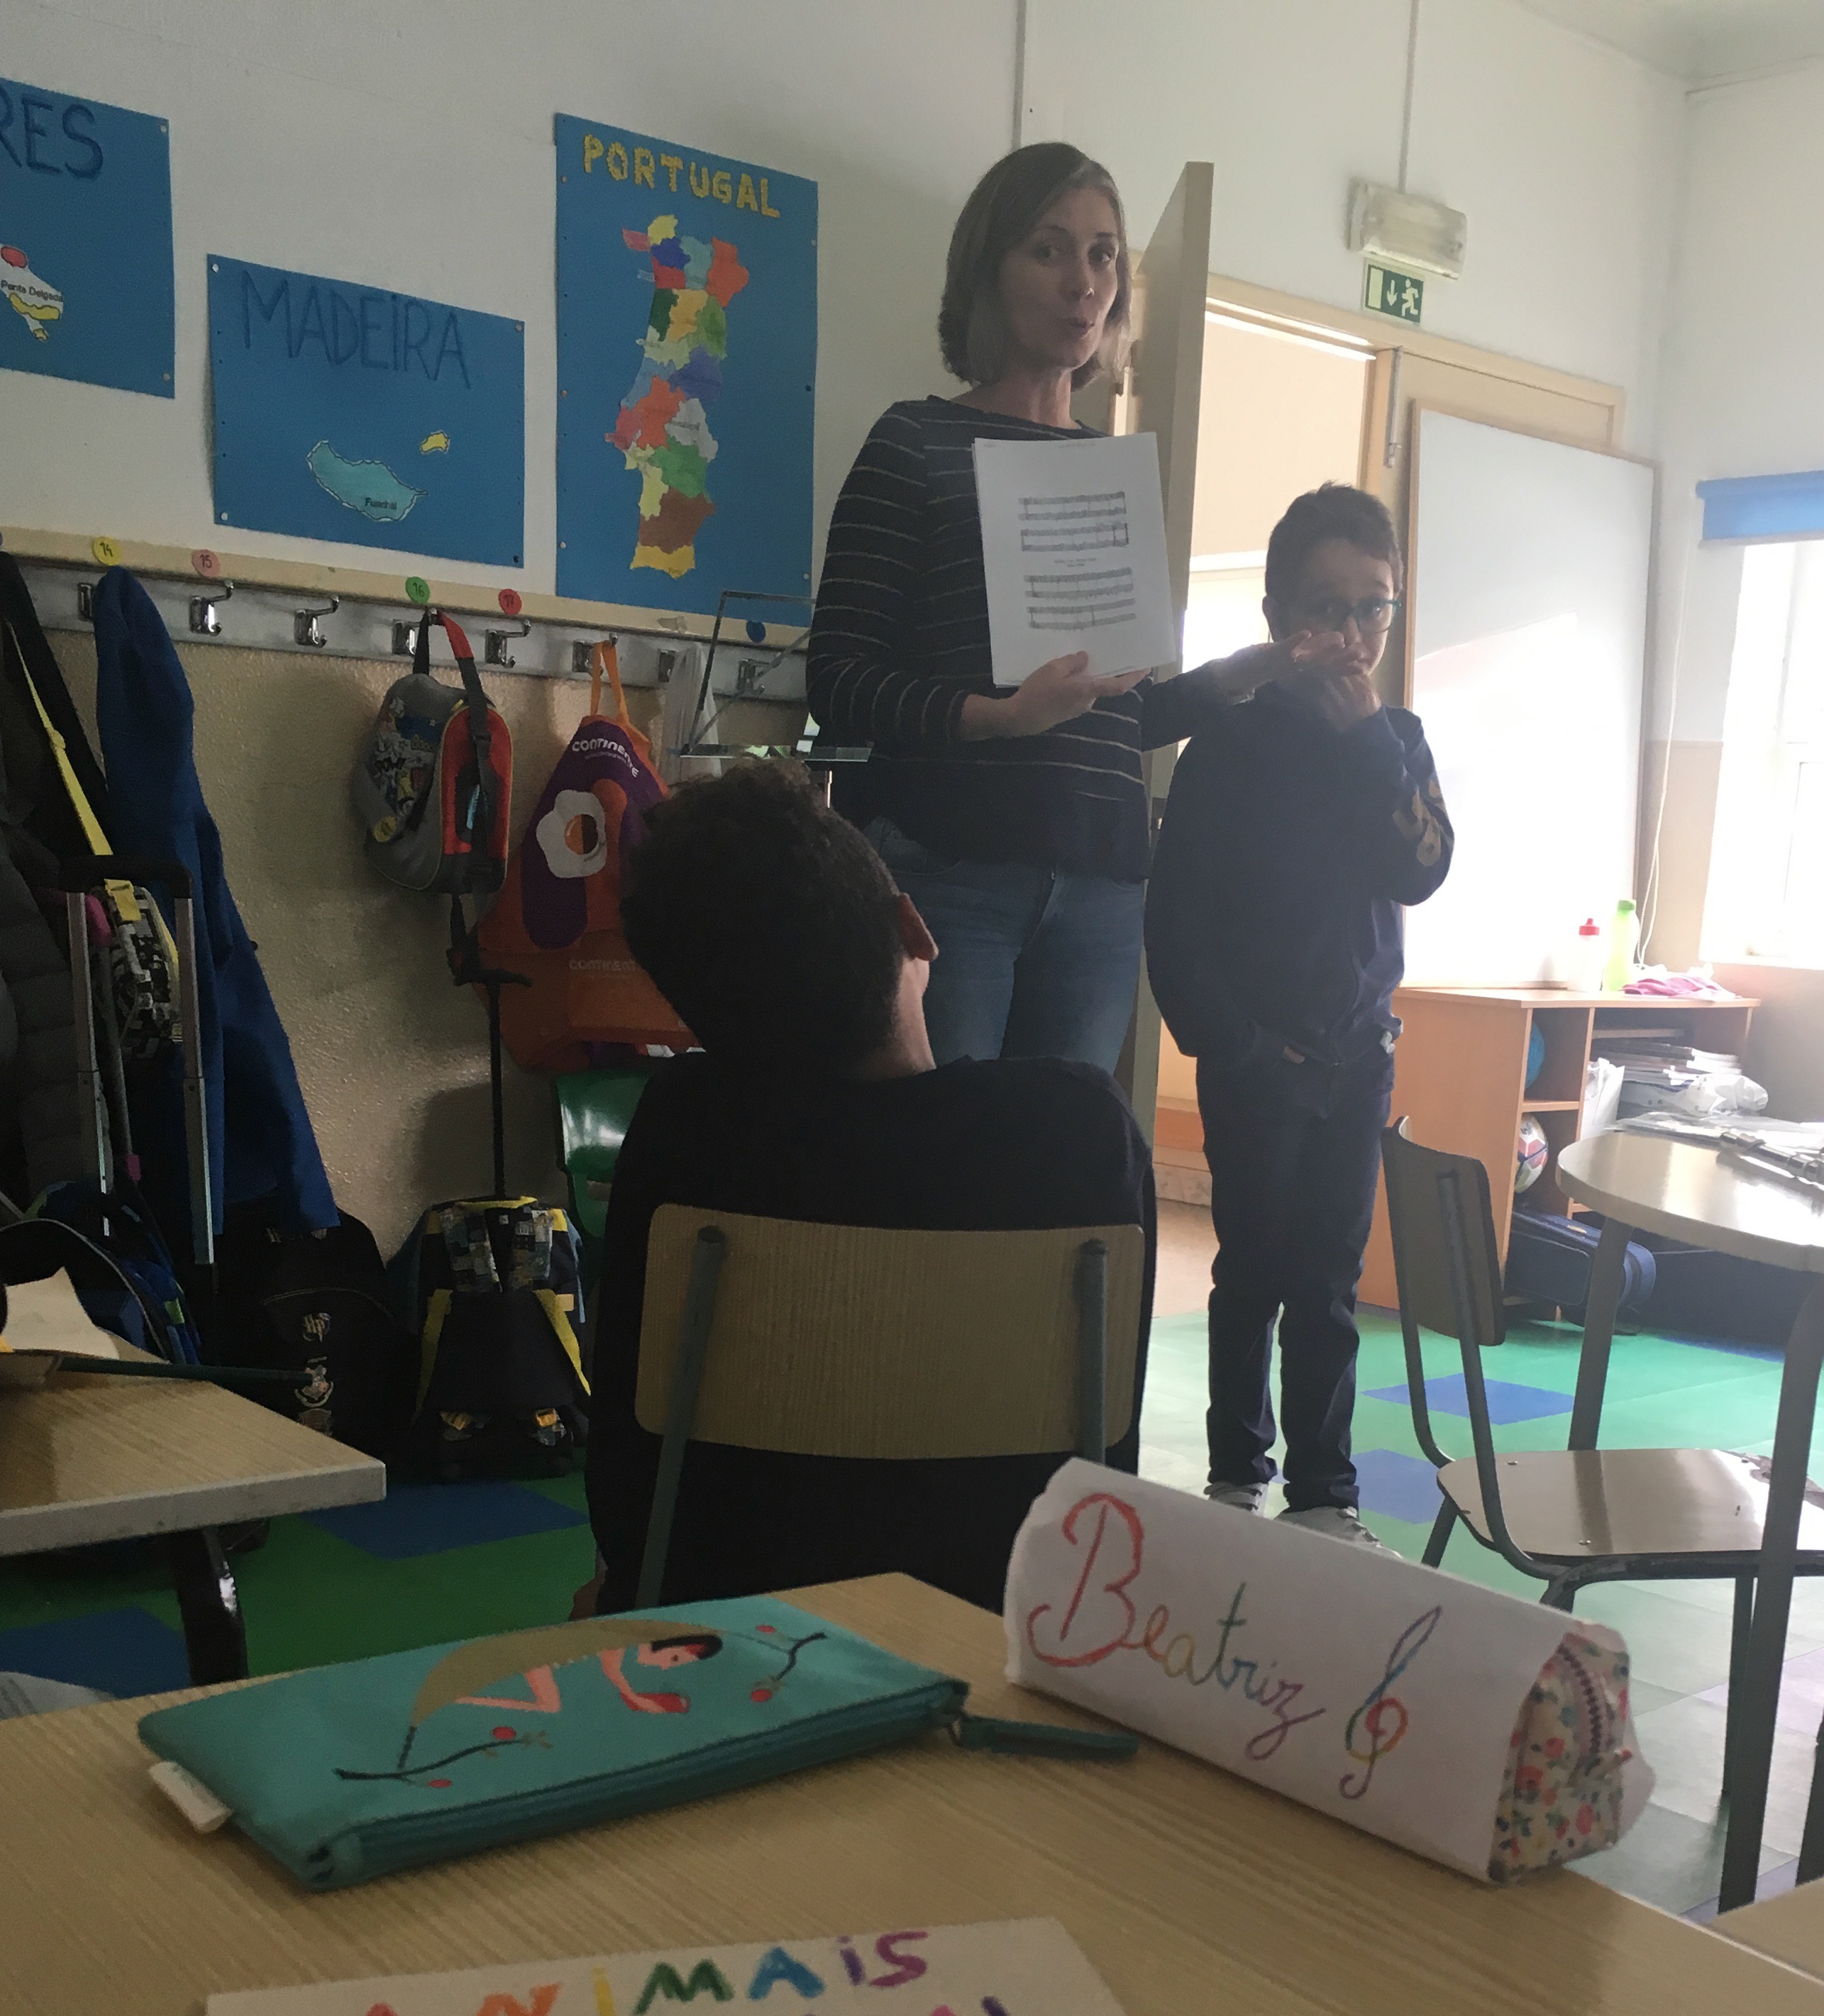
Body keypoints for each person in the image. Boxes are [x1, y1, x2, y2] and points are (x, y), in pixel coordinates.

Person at [585, 763, 1154, 1612]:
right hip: (1007, 1626)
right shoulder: (1077, 1134)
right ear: (914, 928)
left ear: (692, 1009)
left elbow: (626, 1479)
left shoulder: (688, 1135)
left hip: (726, 1625)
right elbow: (1110, 1454)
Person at [807, 140, 1303, 1075]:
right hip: (951, 878)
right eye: (1049, 249)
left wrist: (1230, 679)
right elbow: (836, 679)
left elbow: (1114, 719)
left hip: (1101, 893)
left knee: (1062, 1158)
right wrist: (995, 716)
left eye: (1103, 254)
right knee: (948, 1154)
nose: (1084, 281)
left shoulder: (1110, 472)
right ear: (989, 269)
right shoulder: (915, 441)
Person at [1146, 483, 1454, 1551]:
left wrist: (1372, 742)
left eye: (1375, 607)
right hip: (1256, 1058)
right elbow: (1175, 924)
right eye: (1328, 608)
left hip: (1358, 1054)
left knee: (1328, 1280)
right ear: (1280, 618)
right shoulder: (1229, 746)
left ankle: (1326, 1491)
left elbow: (1421, 870)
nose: (1353, 633)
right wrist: (1234, 1045)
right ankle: (1237, 1472)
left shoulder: (1396, 741)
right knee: (1251, 1272)